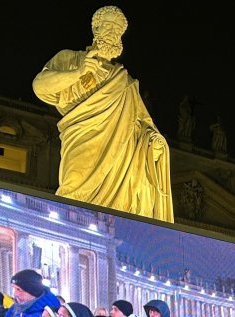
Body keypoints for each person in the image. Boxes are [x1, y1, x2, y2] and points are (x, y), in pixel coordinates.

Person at [31, 5, 173, 222]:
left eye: (118, 30)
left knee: (119, 212)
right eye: (108, 26)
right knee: (74, 191)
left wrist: (153, 143)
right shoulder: (71, 59)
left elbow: (142, 123)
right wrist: (78, 73)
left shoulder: (124, 80)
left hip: (120, 157)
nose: (112, 32)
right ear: (96, 28)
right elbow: (39, 86)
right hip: (81, 140)